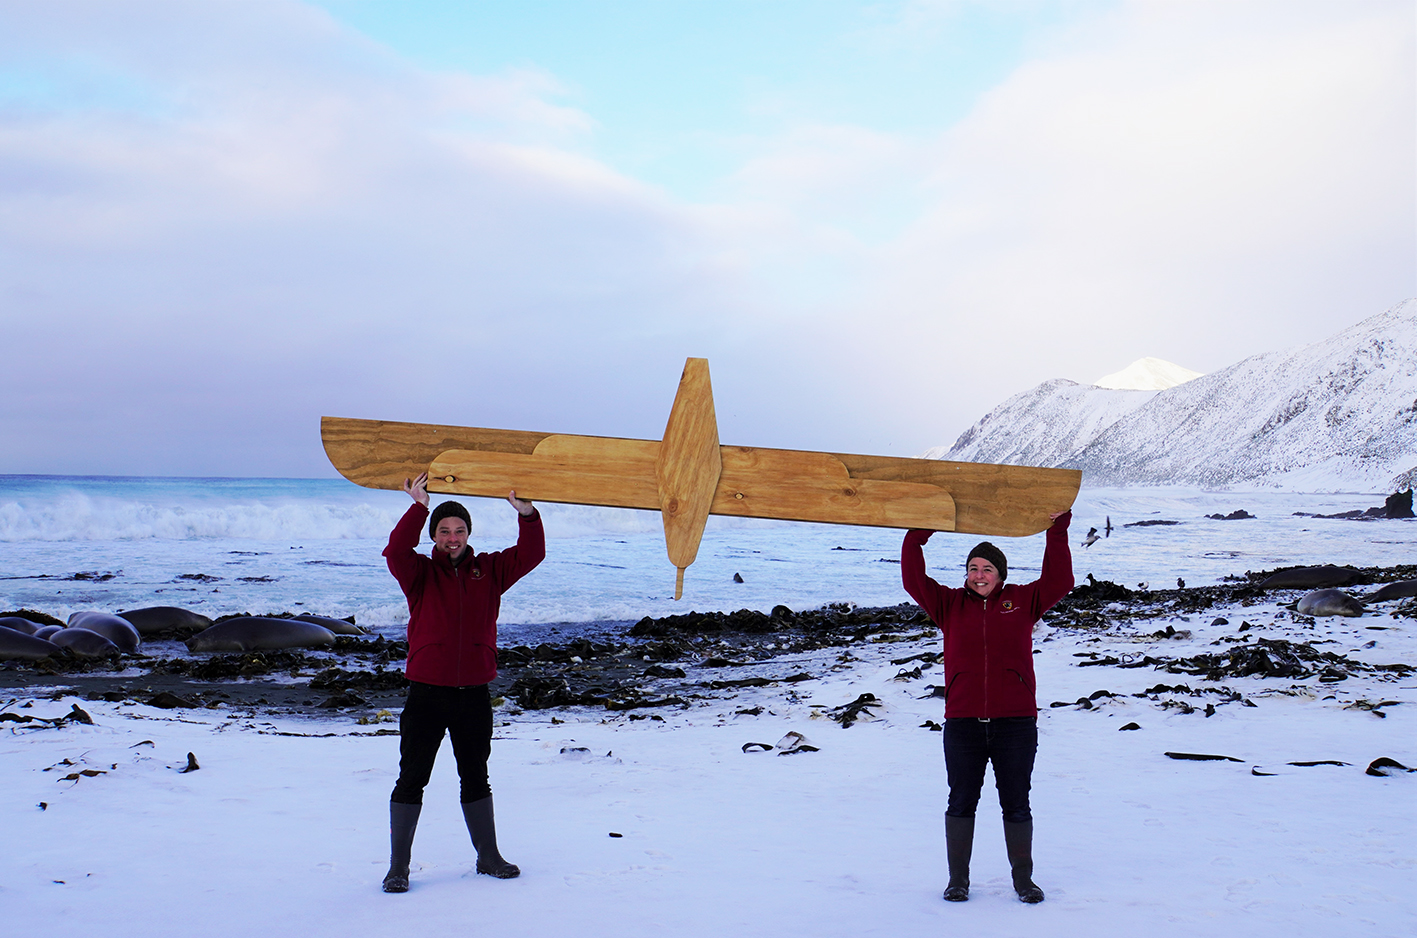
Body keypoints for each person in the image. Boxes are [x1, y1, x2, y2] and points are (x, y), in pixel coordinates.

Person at [380, 470, 545, 893]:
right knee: (412, 777)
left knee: (476, 776)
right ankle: (399, 868)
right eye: (444, 530)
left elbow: (532, 553)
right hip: (426, 693)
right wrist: (418, 507)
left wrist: (526, 513)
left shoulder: (489, 570)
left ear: (469, 532)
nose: (452, 537)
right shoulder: (417, 572)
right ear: (434, 535)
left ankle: (488, 858)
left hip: (473, 692)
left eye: (459, 530)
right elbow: (395, 550)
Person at [901, 510, 1073, 904]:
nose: (979, 575)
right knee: (961, 801)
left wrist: (1056, 529)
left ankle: (1023, 881)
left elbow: (1061, 581)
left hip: (1015, 723)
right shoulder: (947, 604)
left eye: (988, 569)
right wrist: (920, 531)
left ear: (1001, 575)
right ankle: (957, 881)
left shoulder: (1023, 600)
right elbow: (913, 578)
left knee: (1016, 801)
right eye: (973, 568)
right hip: (962, 724)